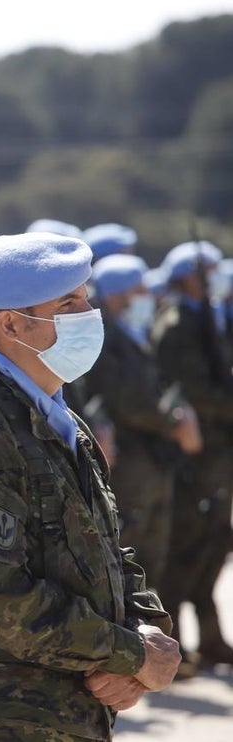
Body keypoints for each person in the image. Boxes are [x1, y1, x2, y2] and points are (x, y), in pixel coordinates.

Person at [0, 230, 181, 740]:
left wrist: (145, 633)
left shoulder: (56, 416)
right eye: (68, 302)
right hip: (2, 715)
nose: (88, 312)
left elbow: (104, 550)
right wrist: (129, 653)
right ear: (12, 324)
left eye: (86, 296)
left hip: (69, 704)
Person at [83, 254, 201, 590]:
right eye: (139, 290)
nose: (147, 297)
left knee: (153, 554)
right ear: (119, 295)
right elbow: (129, 400)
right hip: (129, 461)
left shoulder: (133, 331)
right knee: (130, 552)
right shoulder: (105, 339)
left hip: (153, 457)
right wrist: (174, 423)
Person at [150, 240, 233, 669]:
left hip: (218, 451)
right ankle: (174, 646)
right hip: (195, 452)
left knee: (214, 543)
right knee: (186, 546)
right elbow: (194, 391)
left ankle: (212, 638)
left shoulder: (204, 317)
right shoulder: (178, 323)